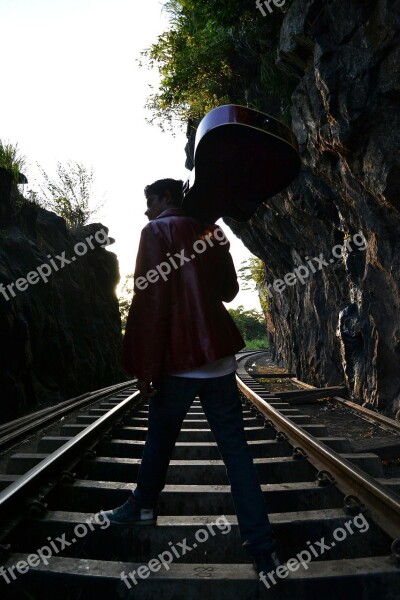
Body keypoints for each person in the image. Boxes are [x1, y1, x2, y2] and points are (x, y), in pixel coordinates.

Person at [102, 178, 279, 575]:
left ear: (166, 198)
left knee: (160, 436)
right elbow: (230, 292)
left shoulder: (156, 230)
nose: (146, 209)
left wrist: (146, 368)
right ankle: (262, 547)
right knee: (237, 453)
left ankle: (143, 506)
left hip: (179, 360)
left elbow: (151, 301)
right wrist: (220, 250)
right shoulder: (210, 231)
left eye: (149, 200)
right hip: (218, 358)